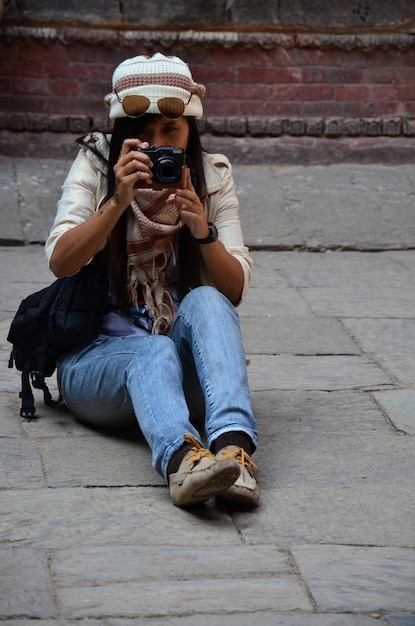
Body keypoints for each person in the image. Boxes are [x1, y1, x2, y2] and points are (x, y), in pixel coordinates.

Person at [45, 52, 259, 507]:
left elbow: (234, 290)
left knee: (207, 301)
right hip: (96, 368)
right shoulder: (97, 164)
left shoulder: (211, 174)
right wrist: (117, 201)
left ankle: (233, 453)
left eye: (171, 131)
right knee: (153, 348)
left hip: (178, 370)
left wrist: (203, 233)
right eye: (143, 135)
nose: (159, 145)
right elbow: (61, 261)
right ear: (123, 136)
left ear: (189, 131)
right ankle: (184, 462)